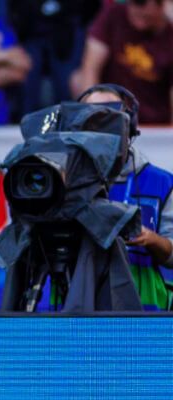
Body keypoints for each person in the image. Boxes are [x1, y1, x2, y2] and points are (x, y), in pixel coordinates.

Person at [79, 83, 173, 310]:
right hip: (79, 318)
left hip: (145, 315)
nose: (101, 129)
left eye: (109, 116)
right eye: (91, 118)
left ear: (128, 125)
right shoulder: (64, 183)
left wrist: (151, 239)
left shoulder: (162, 183)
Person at [71, 0, 173, 125]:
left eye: (142, 3)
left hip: (156, 117)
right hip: (114, 111)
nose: (137, 9)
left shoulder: (169, 30)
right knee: (77, 79)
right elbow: (90, 68)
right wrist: (93, 110)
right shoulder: (113, 15)